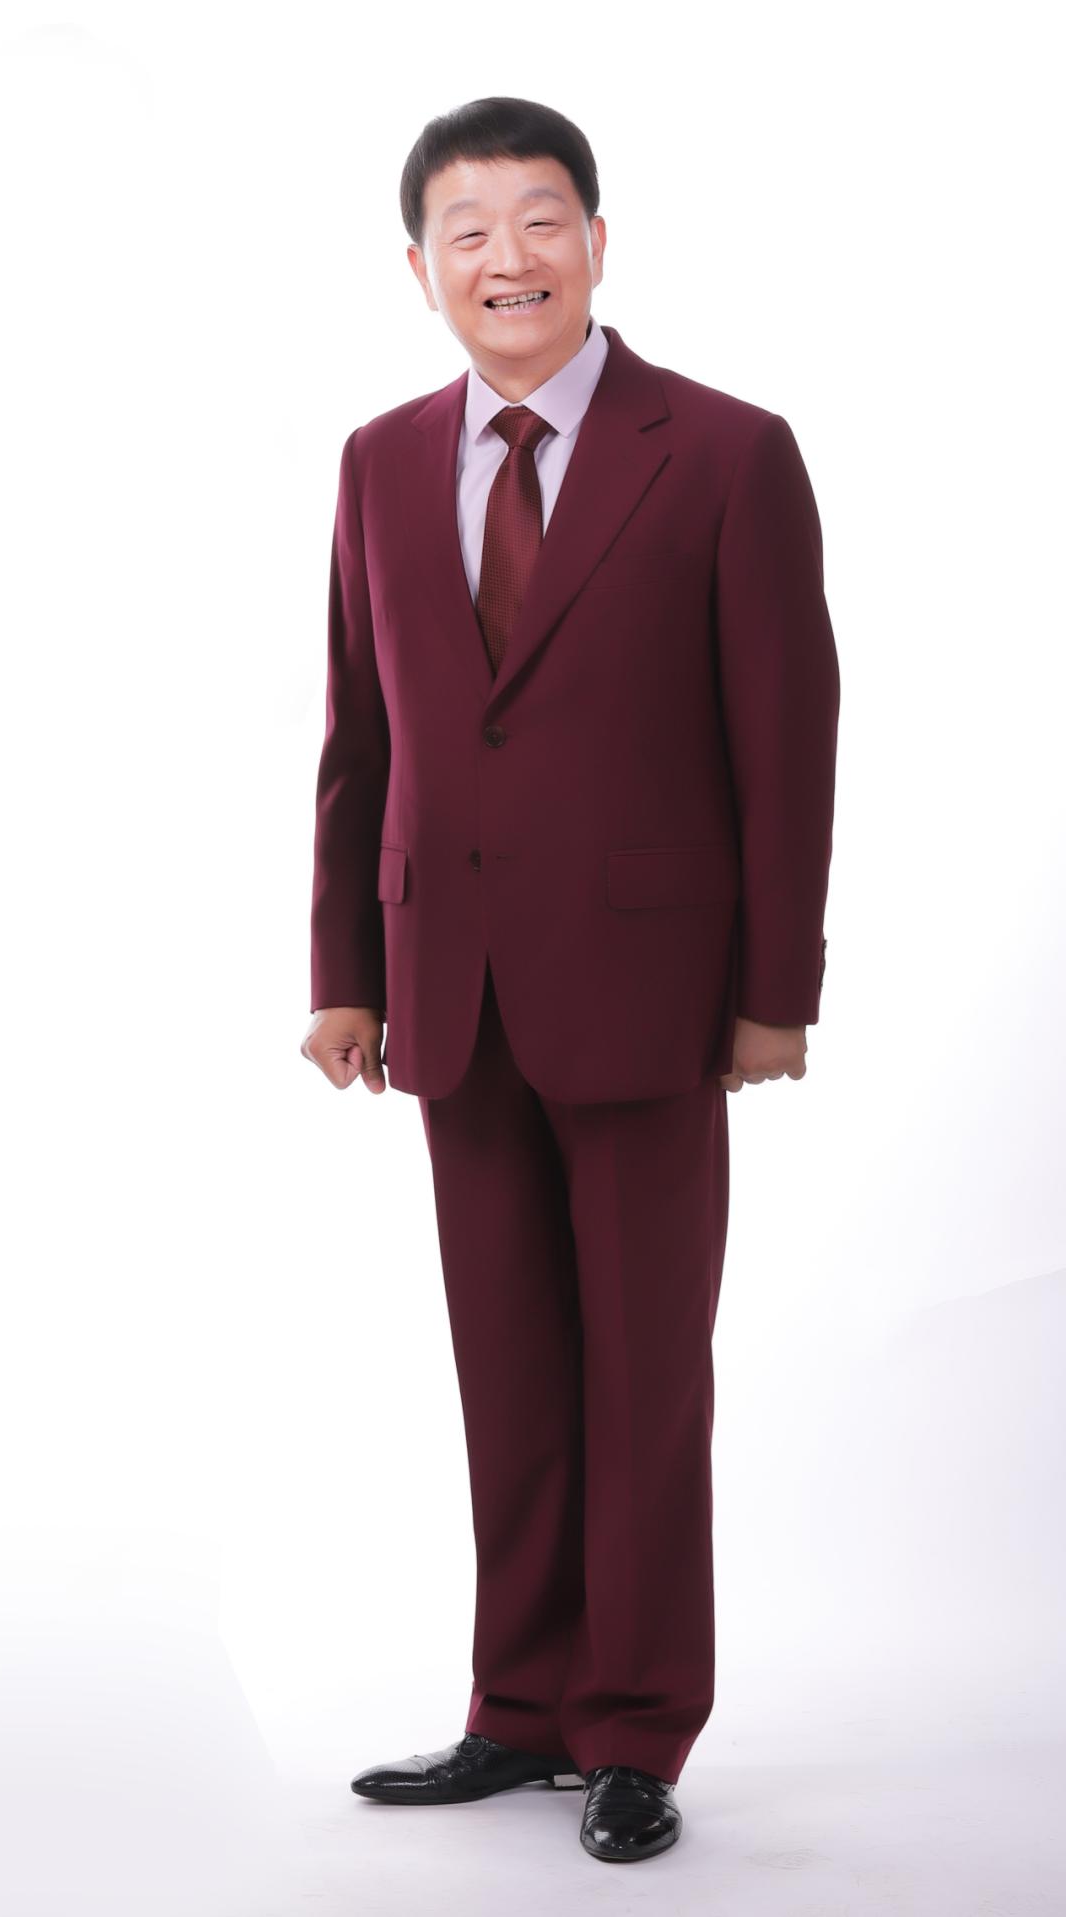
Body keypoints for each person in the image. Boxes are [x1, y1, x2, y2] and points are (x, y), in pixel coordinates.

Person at [300, 94, 840, 1864]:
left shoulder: (727, 452)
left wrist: (776, 989)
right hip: (449, 990)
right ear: (421, 269)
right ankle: (519, 1706)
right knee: (510, 1370)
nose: (507, 258)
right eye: (467, 231)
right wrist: (345, 969)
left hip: (653, 991)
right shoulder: (380, 460)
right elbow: (360, 735)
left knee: (643, 1377)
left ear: (597, 245)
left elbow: (788, 735)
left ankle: (634, 1726)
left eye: (541, 222)